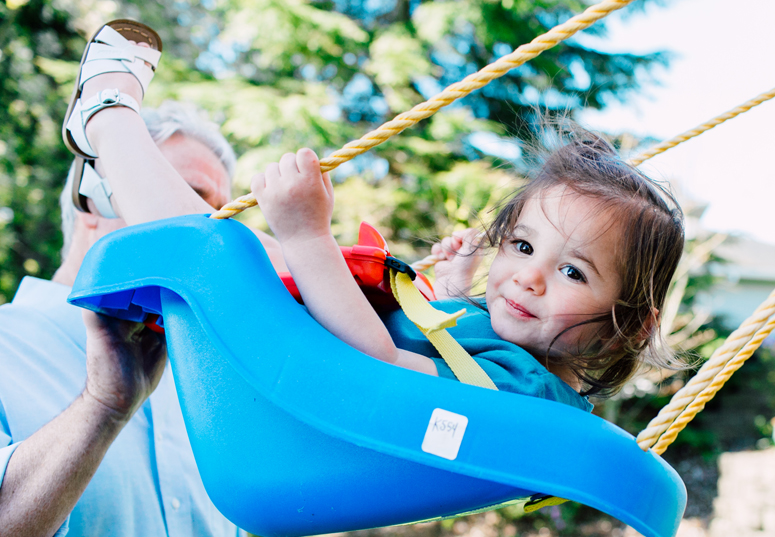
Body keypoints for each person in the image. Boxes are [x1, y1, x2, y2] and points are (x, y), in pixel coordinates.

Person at [59, 23, 686, 414]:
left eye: (573, 271)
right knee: (218, 241)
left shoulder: (530, 391)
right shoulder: (518, 364)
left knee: (211, 249)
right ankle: (115, 173)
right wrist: (453, 295)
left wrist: (307, 234)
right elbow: (446, 363)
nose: (528, 277)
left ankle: (106, 117)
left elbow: (383, 365)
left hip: (299, 380)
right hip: (302, 362)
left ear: (627, 329)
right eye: (522, 246)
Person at [0, 100, 278, 537]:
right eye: (178, 195)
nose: (207, 231)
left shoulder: (201, 386)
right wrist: (102, 407)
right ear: (91, 196)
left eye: (220, 213)